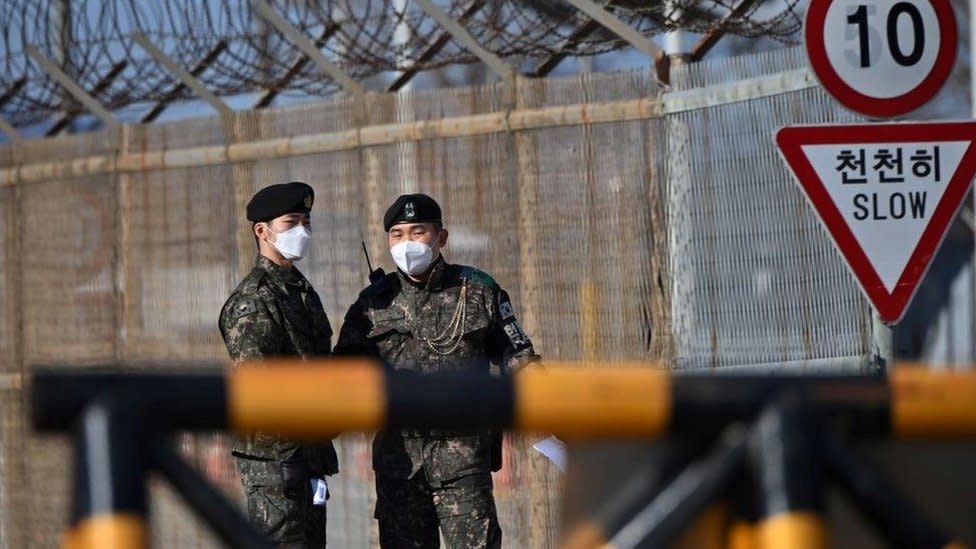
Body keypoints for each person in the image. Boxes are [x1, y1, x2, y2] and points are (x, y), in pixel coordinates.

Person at [334, 193, 540, 549]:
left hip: (464, 464)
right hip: (400, 466)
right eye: (397, 234)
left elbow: (517, 357)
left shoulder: (477, 291)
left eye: (418, 232)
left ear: (441, 237)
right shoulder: (373, 304)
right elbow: (340, 375)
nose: (407, 243)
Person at [219, 181, 337, 548]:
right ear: (262, 231)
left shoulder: (299, 291)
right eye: (291, 222)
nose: (302, 231)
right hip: (274, 463)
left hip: (308, 455)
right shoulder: (254, 300)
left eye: (306, 221)